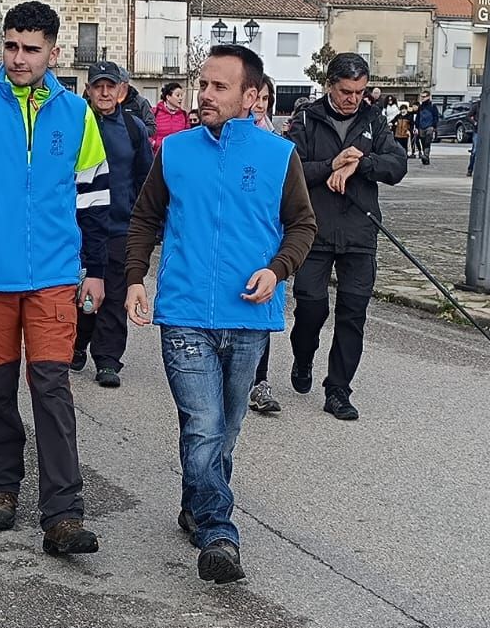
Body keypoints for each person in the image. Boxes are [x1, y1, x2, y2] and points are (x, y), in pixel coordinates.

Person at [124, 43, 317, 584]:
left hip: (249, 318)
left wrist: (277, 270)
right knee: (204, 426)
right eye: (202, 84)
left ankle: (196, 503)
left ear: (251, 96)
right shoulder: (175, 151)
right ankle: (218, 533)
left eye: (218, 87)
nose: (204, 94)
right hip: (184, 314)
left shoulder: (279, 155)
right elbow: (144, 219)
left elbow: (303, 225)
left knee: (224, 430)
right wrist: (135, 278)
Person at [0, 0, 108, 556]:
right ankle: (1, 489)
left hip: (54, 277)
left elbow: (95, 198)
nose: (19, 58)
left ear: (53, 52)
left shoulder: (77, 113)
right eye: (11, 46)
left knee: (51, 389)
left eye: (31, 49)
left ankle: (63, 514)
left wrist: (96, 270)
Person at [285, 52, 407, 420]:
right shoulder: (306, 119)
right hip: (313, 230)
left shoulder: (374, 120)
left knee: (352, 315)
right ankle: (303, 356)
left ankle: (338, 389)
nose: (353, 99)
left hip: (360, 231)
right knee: (311, 307)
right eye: (345, 91)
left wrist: (360, 164)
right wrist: (332, 165)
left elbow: (397, 165)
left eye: (360, 91)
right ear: (329, 86)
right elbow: (291, 171)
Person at [68, 61, 152, 390]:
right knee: (82, 292)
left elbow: (145, 178)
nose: (104, 92)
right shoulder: (75, 124)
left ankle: (107, 358)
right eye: (98, 86)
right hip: (78, 225)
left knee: (115, 295)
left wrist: (145, 222)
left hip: (119, 226)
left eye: (110, 86)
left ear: (122, 90)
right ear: (88, 90)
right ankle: (77, 343)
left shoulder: (133, 128)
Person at [248, 78, 283, 414]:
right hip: (238, 239)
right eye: (255, 97)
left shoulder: (278, 145)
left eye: (265, 98)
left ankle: (260, 382)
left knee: (262, 310)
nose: (259, 104)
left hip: (266, 240)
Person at [154, 81, 188, 152]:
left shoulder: (184, 115)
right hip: (158, 154)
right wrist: (154, 144)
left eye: (181, 95)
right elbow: (146, 132)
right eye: (178, 95)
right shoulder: (155, 112)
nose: (181, 98)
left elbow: (187, 135)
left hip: (177, 153)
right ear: (168, 97)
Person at [416, 90, 441, 166]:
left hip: (429, 127)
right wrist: (416, 127)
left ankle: (426, 155)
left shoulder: (433, 106)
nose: (422, 98)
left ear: (428, 97)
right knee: (423, 142)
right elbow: (418, 117)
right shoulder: (420, 107)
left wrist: (433, 126)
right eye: (421, 96)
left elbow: (436, 117)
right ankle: (426, 158)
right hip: (421, 127)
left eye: (424, 96)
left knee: (427, 142)